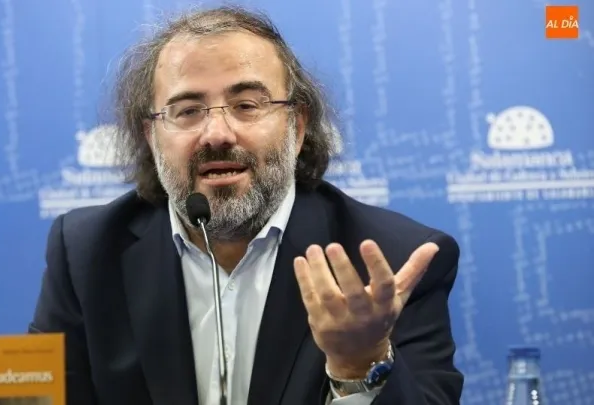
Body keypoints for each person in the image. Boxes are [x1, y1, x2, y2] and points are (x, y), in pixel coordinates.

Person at [28, 5, 463, 405]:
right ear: (151, 136)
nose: (217, 133)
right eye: (187, 110)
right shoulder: (86, 254)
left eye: (247, 105)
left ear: (297, 126)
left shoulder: (391, 263)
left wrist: (359, 365)